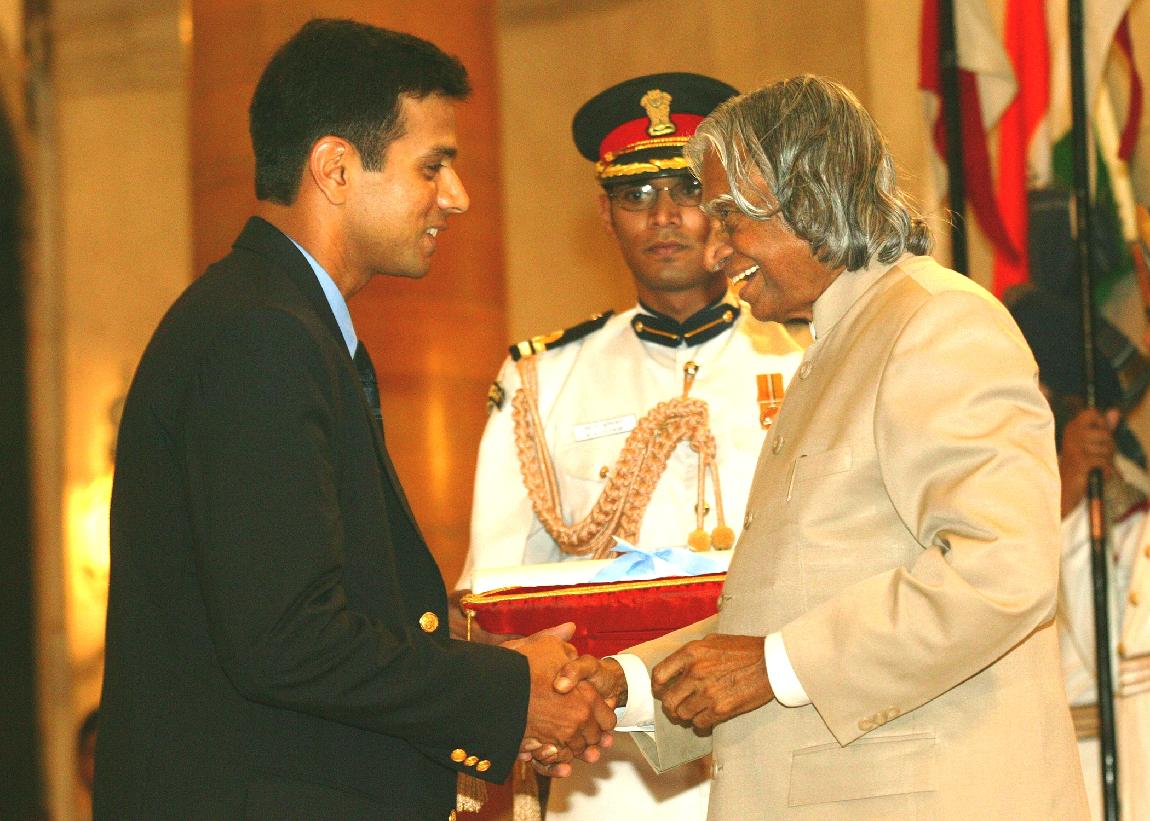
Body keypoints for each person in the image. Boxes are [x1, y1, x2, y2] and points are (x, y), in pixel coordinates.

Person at [93, 20, 614, 820]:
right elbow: (287, 638)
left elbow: (305, 609)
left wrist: (481, 667)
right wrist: (509, 692)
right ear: (336, 168)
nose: (457, 196)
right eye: (432, 166)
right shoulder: (260, 333)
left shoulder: (279, 320)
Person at [550, 75, 1090, 819]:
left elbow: (999, 570)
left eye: (729, 217)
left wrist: (774, 667)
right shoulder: (841, 341)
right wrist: (632, 683)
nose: (716, 250)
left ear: (809, 197)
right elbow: (794, 606)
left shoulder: (938, 324)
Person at [455, 73, 802, 818]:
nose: (664, 215)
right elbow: (498, 593)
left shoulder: (805, 354)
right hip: (610, 763)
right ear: (605, 215)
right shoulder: (543, 379)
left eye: (687, 189)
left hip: (779, 731)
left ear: (728, 204)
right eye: (636, 194)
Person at [1007, 285, 1150, 820]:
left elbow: (1112, 655)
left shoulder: (1127, 517)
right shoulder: (997, 499)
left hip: (1100, 783)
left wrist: (1069, 506)